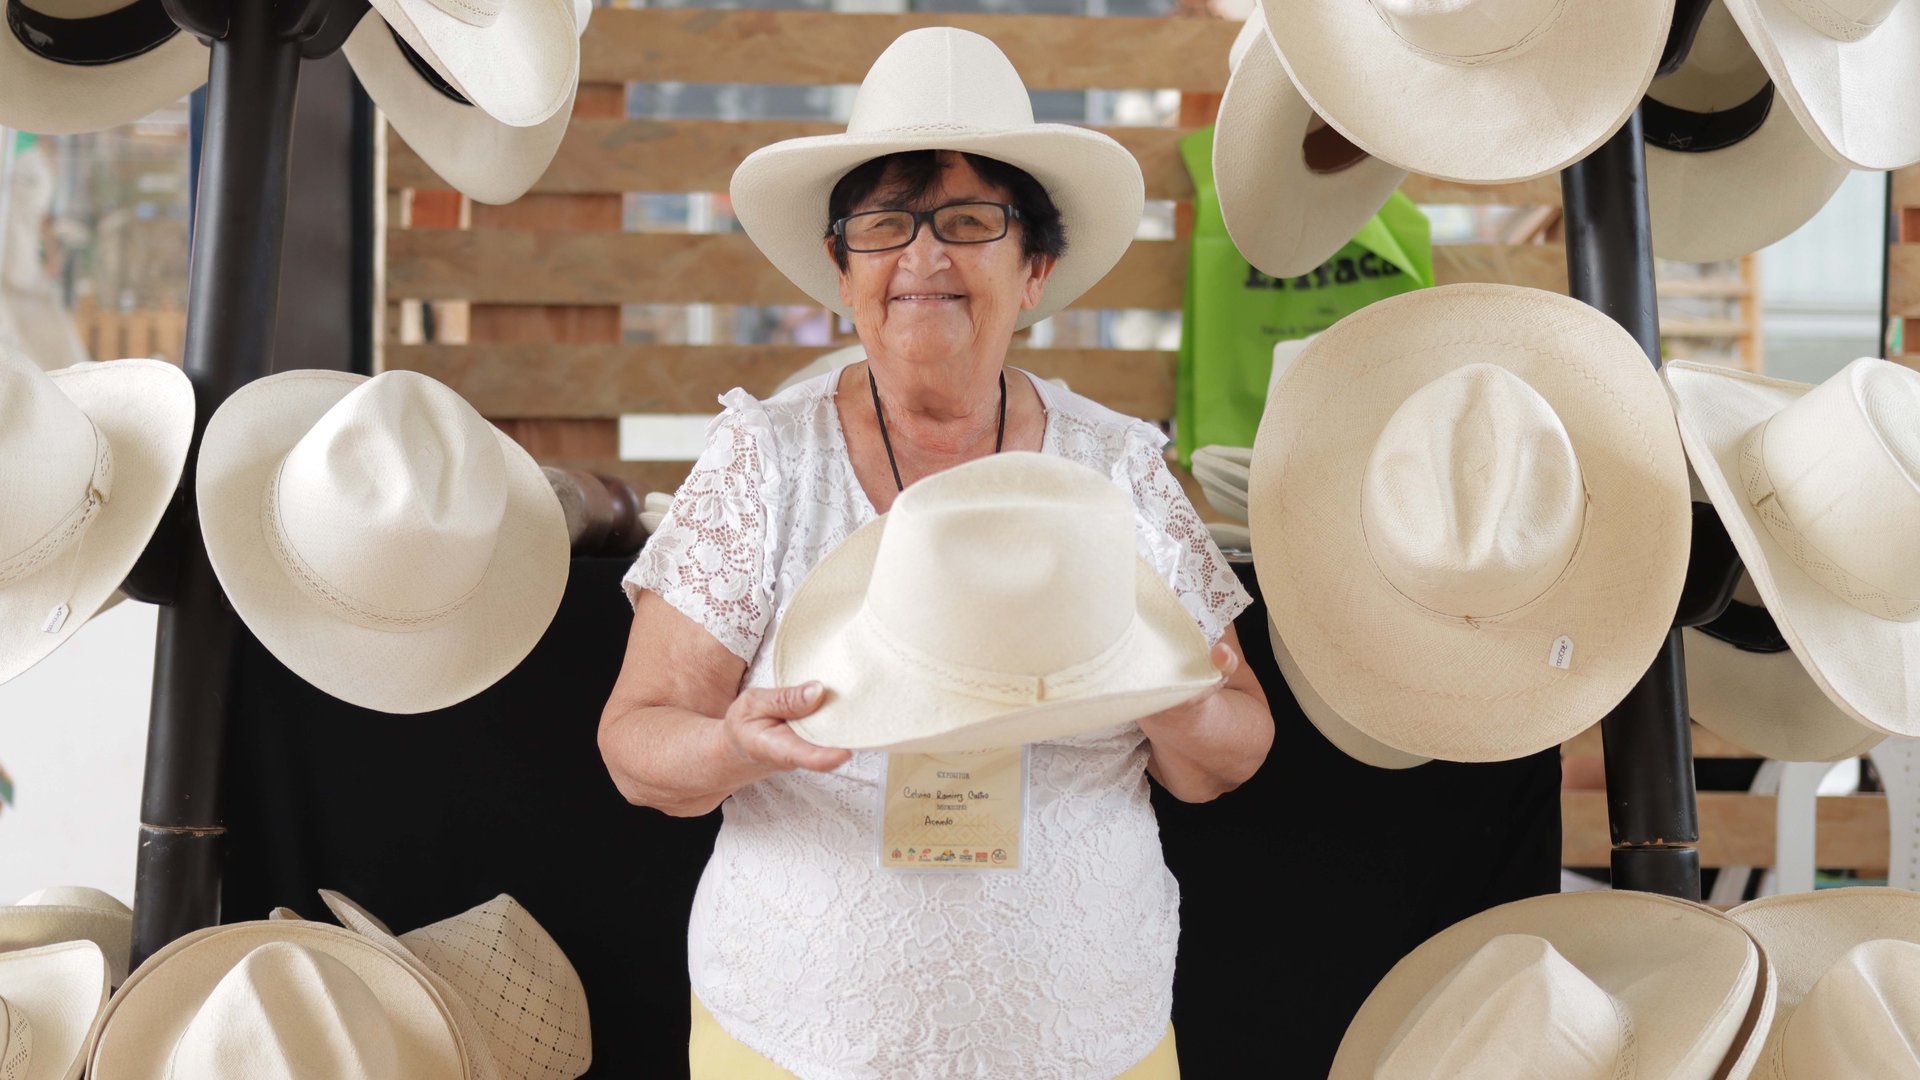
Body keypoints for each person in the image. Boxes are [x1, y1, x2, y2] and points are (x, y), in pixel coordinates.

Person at [598, 27, 1272, 1079]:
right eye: (885, 224)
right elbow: (637, 746)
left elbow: (1229, 754)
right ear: (840, 265)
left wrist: (1159, 685)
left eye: (968, 222)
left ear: (1034, 265)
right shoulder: (766, 462)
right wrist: (736, 746)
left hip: (1088, 1043)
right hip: (793, 1042)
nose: (923, 258)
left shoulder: (1121, 470)